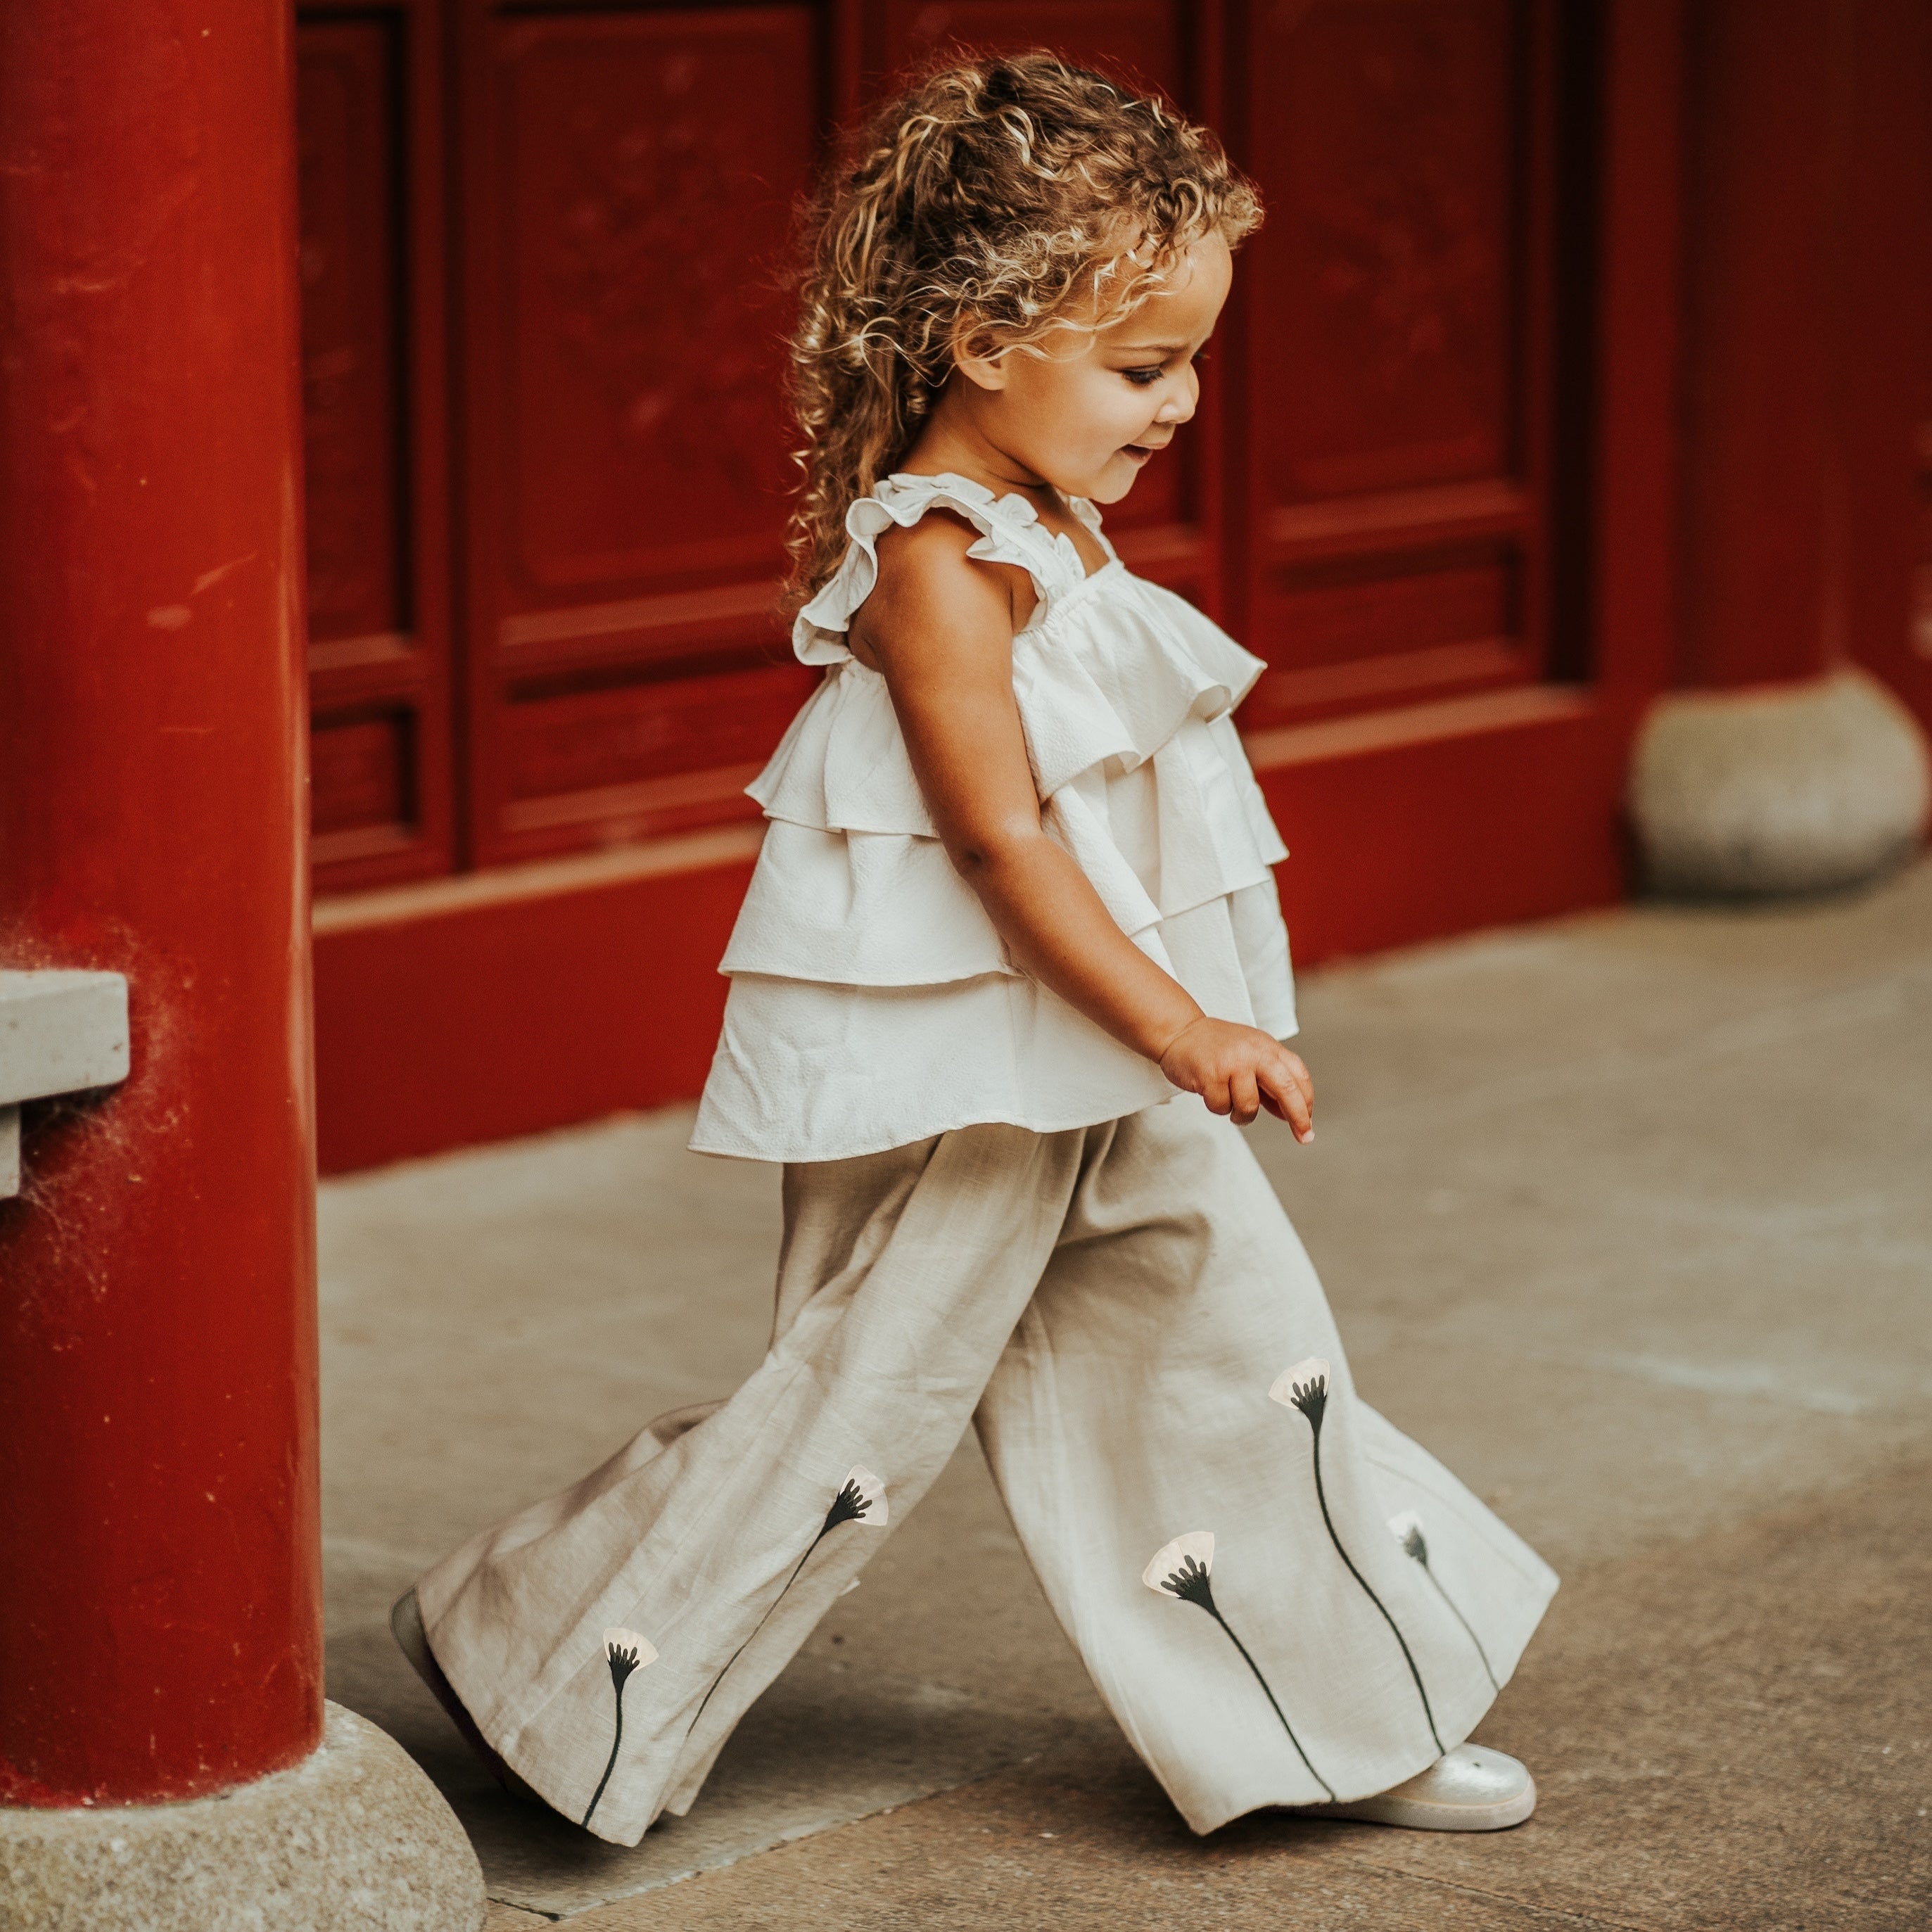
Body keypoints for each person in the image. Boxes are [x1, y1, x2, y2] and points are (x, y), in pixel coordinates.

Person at [392, 50, 1557, 1848]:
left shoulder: (1042, 519)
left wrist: (1162, 1022)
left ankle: (1334, 1717)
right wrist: (1189, 1027)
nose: (1178, 406)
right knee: (850, 1402)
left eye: (1189, 359)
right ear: (979, 337)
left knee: (1226, 1336)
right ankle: (535, 1660)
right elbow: (1001, 844)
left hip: (1073, 1051)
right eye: (1141, 364)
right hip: (969, 1065)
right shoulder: (938, 557)